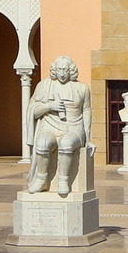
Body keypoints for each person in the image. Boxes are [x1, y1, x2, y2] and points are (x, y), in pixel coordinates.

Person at [25, 55, 91, 195]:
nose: (62, 73)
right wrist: (49, 106)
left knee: (66, 143)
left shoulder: (82, 88)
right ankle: (42, 179)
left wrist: (88, 138)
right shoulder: (44, 86)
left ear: (70, 71)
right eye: (59, 70)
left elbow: (86, 111)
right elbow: (33, 110)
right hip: (50, 125)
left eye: (65, 70)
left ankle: (63, 180)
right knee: (42, 143)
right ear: (55, 70)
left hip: (74, 127)